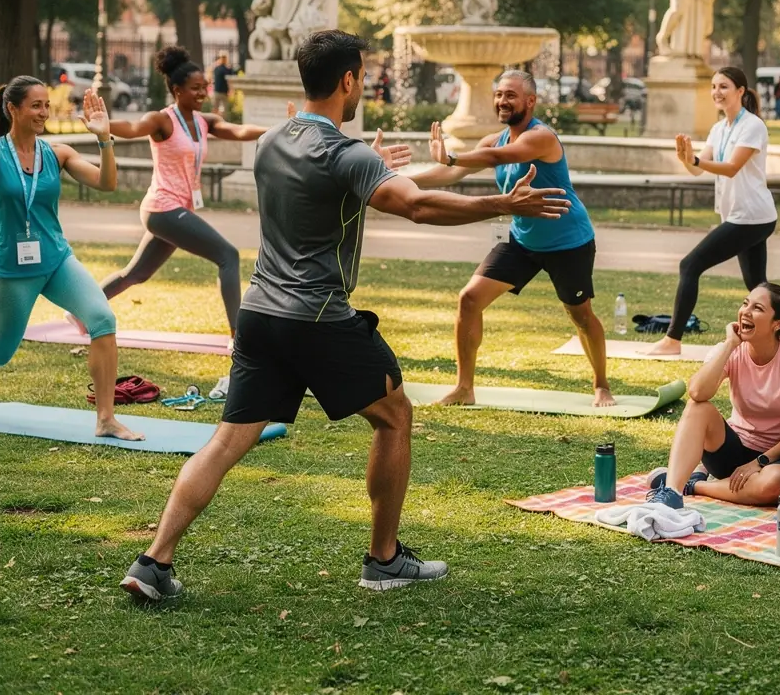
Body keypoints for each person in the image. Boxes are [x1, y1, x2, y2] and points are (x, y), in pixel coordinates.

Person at [119, 30, 569, 601]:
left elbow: (320, 186)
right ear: (348, 80)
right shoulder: (345, 153)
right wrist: (502, 203)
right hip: (318, 317)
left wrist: (370, 167)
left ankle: (153, 561)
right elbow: (415, 205)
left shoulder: (274, 140)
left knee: (227, 441)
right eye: (362, 75)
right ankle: (384, 560)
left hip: (259, 313)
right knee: (395, 416)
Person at [0, 79, 143, 441]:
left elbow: (106, 183)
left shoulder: (57, 154)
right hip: (12, 270)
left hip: (57, 261)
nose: (43, 113)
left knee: (102, 319)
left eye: (46, 105)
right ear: (13, 109)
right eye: (35, 105)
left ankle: (106, 419)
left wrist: (104, 138)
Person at [411, 70, 614, 407]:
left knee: (580, 315)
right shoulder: (493, 139)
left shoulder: (541, 138)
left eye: (511, 95)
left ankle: (601, 385)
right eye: (499, 94)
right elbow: (451, 172)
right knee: (469, 299)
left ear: (530, 101)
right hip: (522, 239)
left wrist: (451, 155)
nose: (502, 101)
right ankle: (464, 388)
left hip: (568, 241)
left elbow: (497, 158)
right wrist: (397, 181)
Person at [83, 46, 308, 345]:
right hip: (163, 208)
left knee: (136, 274)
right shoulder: (162, 120)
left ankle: (80, 312)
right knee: (228, 256)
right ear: (177, 90)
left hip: (174, 210)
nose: (202, 93)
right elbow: (134, 127)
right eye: (195, 88)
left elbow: (239, 130)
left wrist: (281, 128)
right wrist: (105, 126)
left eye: (205, 87)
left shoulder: (204, 122)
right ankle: (238, 336)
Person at [646, 283, 780, 509]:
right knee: (698, 407)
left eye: (757, 308)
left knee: (772, 484)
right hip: (734, 452)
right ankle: (672, 492)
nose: (746, 311)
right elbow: (697, 392)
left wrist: (759, 462)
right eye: (745, 304)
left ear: (777, 324)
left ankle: (693, 485)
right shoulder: (730, 350)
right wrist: (729, 345)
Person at [648, 67, 777, 356]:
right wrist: (686, 159)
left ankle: (672, 340)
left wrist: (695, 160)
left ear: (740, 91)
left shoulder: (752, 126)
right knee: (757, 286)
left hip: (751, 216)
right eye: (714, 86)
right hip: (742, 216)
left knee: (690, 265)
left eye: (724, 86)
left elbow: (731, 168)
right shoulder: (719, 129)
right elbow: (697, 169)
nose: (717, 92)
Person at [210, 51, 233, 117]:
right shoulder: (223, 69)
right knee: (219, 110)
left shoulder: (218, 68)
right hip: (219, 92)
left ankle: (218, 121)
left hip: (221, 92)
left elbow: (229, 81)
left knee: (219, 110)